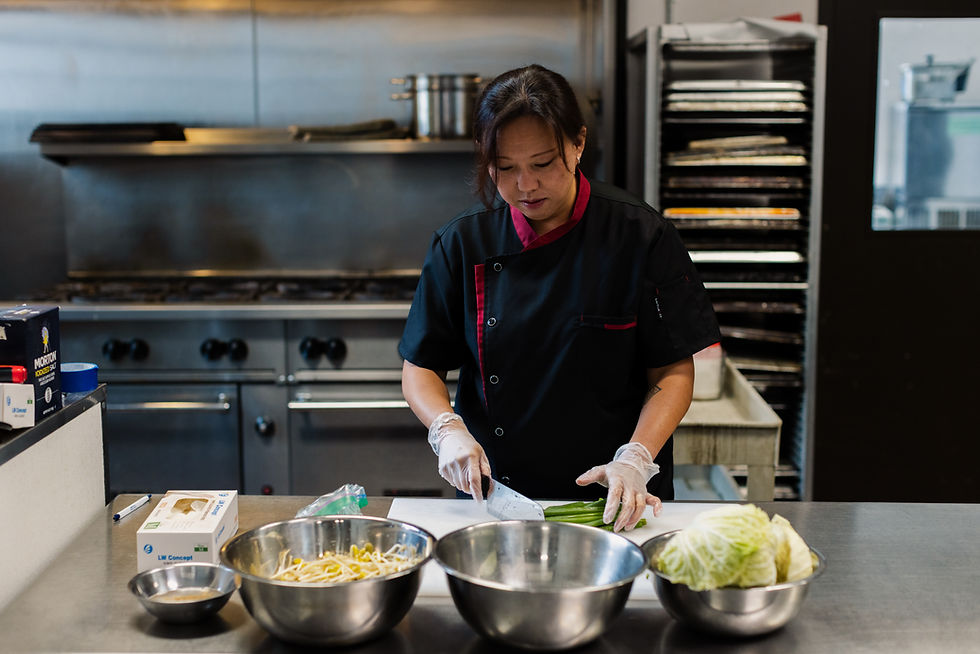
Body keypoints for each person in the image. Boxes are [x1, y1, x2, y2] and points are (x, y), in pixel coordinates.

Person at [399, 64, 720, 531]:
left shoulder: (640, 235)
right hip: (496, 498)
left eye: (543, 163)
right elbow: (421, 367)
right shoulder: (462, 241)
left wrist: (637, 457)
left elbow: (672, 370)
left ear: (578, 144)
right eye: (505, 168)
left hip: (615, 500)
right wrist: (446, 430)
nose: (525, 185)